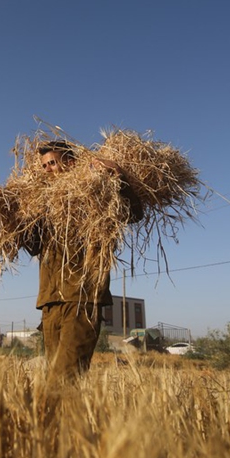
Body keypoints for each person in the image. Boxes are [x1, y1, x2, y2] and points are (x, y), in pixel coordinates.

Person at [23, 140, 142, 384]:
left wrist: (117, 176)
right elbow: (34, 247)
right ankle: (57, 422)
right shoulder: (44, 204)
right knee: (52, 380)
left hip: (82, 299)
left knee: (65, 379)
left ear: (70, 162)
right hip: (49, 303)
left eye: (52, 163)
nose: (47, 170)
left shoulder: (94, 195)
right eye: (44, 166)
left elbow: (134, 213)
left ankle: (69, 421)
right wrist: (18, 223)